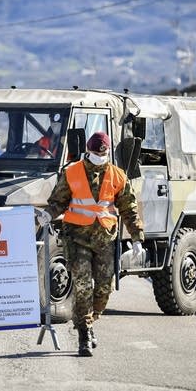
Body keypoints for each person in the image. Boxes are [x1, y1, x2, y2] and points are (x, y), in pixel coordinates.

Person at [37, 131, 144, 357]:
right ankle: (84, 334)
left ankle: (90, 321)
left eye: (103, 153)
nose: (99, 156)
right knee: (83, 285)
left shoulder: (117, 176)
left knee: (104, 288)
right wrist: (48, 214)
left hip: (105, 239)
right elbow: (58, 201)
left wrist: (136, 238)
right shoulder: (72, 172)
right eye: (95, 153)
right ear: (88, 150)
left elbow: (129, 209)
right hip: (76, 238)